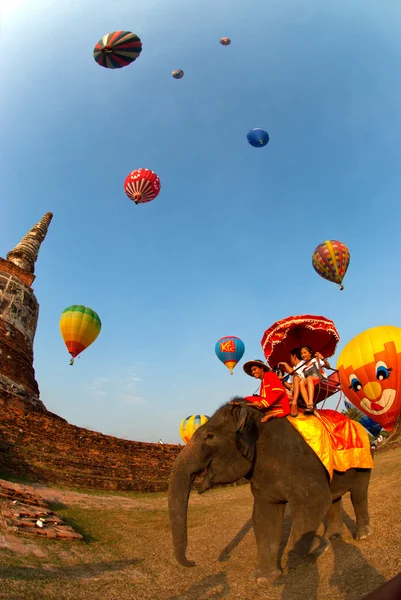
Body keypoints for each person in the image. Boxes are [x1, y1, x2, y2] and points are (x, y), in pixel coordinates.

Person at [297, 346, 331, 414]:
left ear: (310, 353)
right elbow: (298, 373)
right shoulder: (302, 364)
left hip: (320, 379)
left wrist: (322, 358)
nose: (303, 355)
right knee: (301, 382)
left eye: (305, 353)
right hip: (310, 380)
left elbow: (328, 367)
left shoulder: (315, 359)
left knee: (309, 378)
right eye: (302, 354)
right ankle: (308, 406)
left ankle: (310, 403)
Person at [278, 348, 305, 417]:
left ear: (294, 356)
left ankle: (294, 403)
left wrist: (285, 364)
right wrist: (282, 381)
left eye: (290, 357)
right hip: (295, 389)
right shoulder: (293, 368)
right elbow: (291, 387)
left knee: (296, 377)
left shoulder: (303, 363)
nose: (290, 360)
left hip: (304, 383)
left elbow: (295, 374)